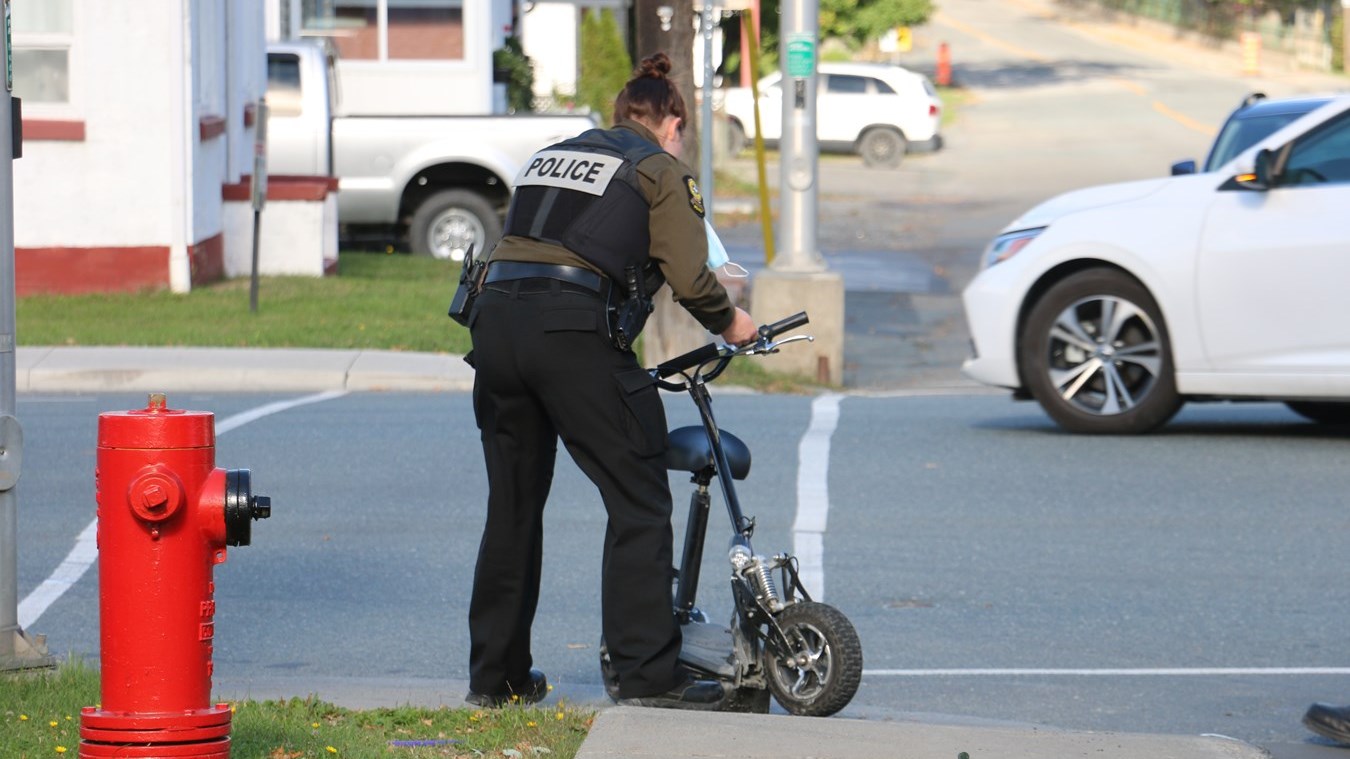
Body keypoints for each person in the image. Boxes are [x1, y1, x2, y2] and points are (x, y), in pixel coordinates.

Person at [463, 51, 758, 710]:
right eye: (683, 130)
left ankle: (496, 678)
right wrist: (733, 322)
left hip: (494, 326)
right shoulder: (659, 169)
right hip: (569, 331)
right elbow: (690, 276)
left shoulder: (549, 155)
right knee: (640, 498)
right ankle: (646, 674)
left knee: (512, 505)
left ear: (621, 113)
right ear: (673, 123)